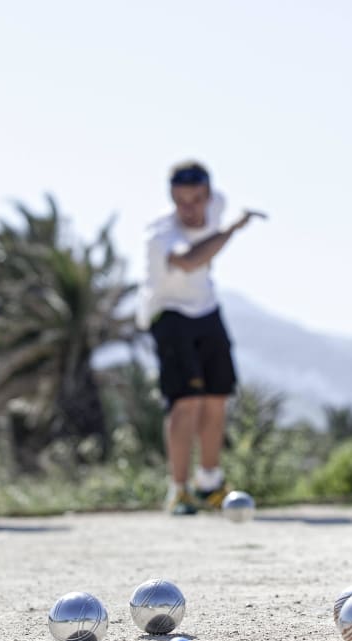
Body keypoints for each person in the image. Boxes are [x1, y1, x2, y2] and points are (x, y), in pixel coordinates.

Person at [138, 161, 266, 515]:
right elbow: (191, 261)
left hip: (206, 309)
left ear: (209, 195)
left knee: (216, 397)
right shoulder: (161, 234)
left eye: (196, 199)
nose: (189, 208)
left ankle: (209, 482)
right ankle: (178, 490)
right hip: (168, 312)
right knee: (186, 402)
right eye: (180, 201)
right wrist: (233, 230)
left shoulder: (218, 203)